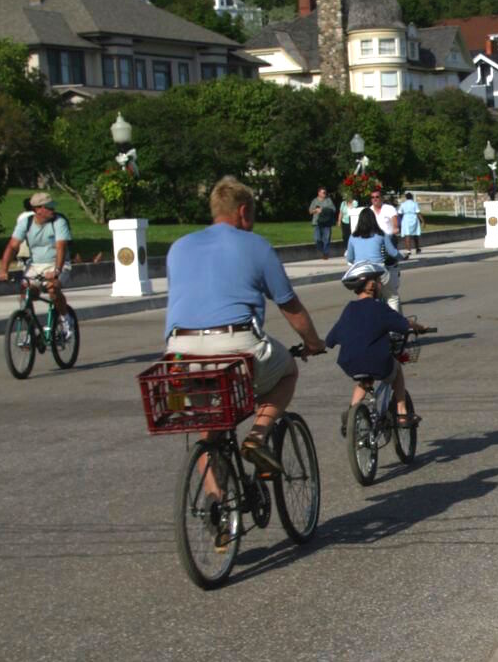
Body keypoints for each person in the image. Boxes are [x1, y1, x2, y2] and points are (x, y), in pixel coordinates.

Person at [164, 175, 325, 474]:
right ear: (242, 211)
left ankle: (216, 507)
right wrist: (313, 342)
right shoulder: (255, 245)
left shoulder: (180, 247)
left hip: (180, 351)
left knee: (209, 426)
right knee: (287, 370)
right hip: (234, 345)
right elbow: (289, 305)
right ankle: (257, 438)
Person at [326, 261, 420, 436]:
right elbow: (404, 324)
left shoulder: (349, 309)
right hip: (377, 362)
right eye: (377, 280)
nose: (379, 284)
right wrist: (419, 327)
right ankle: (401, 412)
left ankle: (351, 416)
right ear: (370, 285)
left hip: (349, 363)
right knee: (396, 367)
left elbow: (331, 339)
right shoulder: (380, 308)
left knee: (364, 381)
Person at [0, 191, 74, 334]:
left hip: (59, 263)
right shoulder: (25, 223)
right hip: (35, 265)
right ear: (37, 209)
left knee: (53, 288)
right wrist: (3, 270)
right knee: (26, 292)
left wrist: (57, 271)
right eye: (49, 207)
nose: (53, 210)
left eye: (52, 207)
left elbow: (61, 247)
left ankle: (65, 319)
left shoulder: (59, 221)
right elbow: (13, 246)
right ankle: (29, 327)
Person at [346, 208, 402, 312]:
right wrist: (402, 257)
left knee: (364, 299)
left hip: (361, 274)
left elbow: (349, 258)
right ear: (373, 220)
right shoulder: (380, 234)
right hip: (378, 271)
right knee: (392, 297)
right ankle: (397, 325)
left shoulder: (353, 236)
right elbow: (393, 252)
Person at [309, 186, 337, 260]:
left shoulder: (328, 200)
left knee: (326, 239)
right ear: (319, 193)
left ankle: (325, 253)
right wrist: (316, 210)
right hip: (317, 222)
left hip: (327, 222)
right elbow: (310, 211)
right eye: (323, 192)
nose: (325, 194)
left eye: (325, 192)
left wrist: (323, 210)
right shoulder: (315, 201)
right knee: (317, 239)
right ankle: (322, 250)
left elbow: (333, 209)